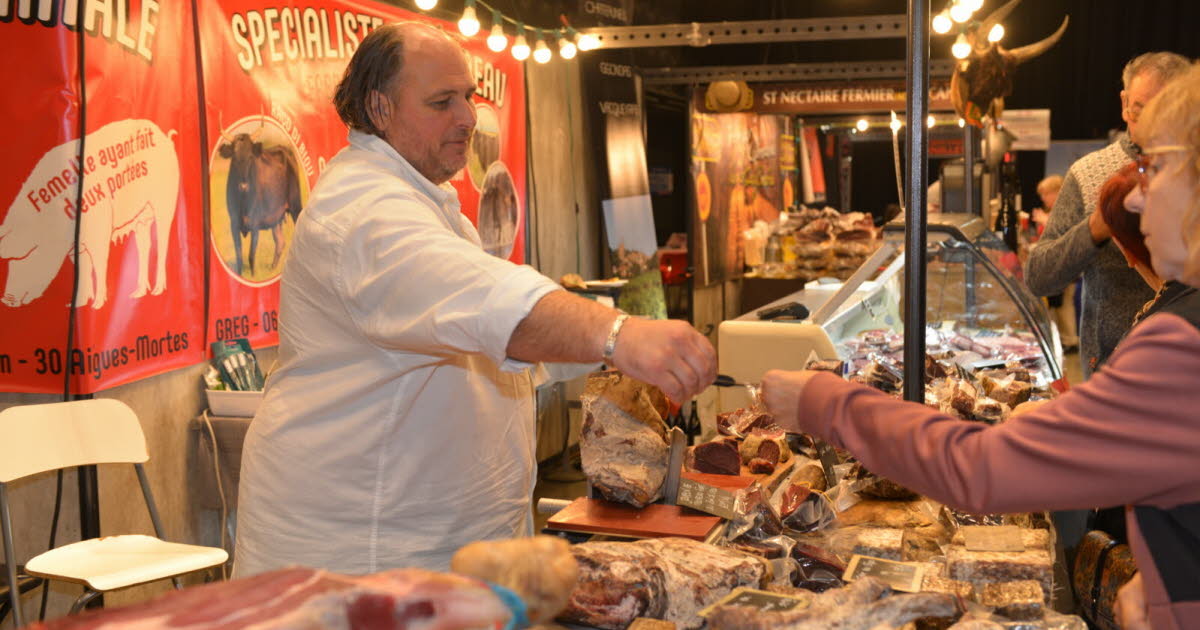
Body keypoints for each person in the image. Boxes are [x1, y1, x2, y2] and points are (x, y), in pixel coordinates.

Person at [233, 23, 717, 576]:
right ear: (380, 108)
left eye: (468, 96)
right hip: (364, 549)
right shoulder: (364, 213)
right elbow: (490, 305)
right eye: (442, 102)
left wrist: (608, 349)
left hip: (429, 539)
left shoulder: (427, 202)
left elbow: (483, 338)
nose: (467, 117)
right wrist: (617, 335)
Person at [761, 63, 1200, 630]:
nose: (1136, 201)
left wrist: (824, 402)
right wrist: (1168, 578)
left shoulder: (1180, 347)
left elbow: (981, 468)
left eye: (1153, 169)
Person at [1024, 51, 1190, 377]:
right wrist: (1094, 229)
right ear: (1125, 103)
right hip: (1109, 367)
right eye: (1141, 109)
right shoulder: (1088, 174)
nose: (1152, 125)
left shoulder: (1192, 169)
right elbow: (1040, 277)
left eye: (1165, 111)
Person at [1031, 175, 1079, 350]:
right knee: (1059, 305)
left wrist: (1045, 221)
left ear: (1057, 192)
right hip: (1056, 265)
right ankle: (1063, 339)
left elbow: (1065, 236)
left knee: (1064, 304)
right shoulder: (1053, 212)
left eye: (1046, 193)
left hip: (1065, 265)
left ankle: (1069, 340)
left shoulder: (1065, 212)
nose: (1043, 198)